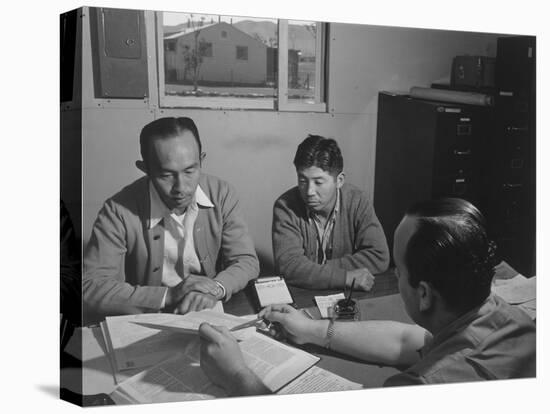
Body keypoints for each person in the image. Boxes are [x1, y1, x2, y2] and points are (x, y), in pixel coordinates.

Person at [199, 198, 535, 394]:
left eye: (399, 273)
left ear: (424, 295)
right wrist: (311, 329)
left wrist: (237, 375)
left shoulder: (422, 386)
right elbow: (409, 340)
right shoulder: (501, 314)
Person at [83, 117, 259, 320]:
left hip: (206, 312)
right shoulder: (117, 211)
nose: (181, 188)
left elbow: (246, 261)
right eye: (166, 175)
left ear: (201, 159)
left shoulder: (222, 194)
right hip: (147, 320)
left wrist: (215, 289)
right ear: (145, 169)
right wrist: (169, 295)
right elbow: (89, 287)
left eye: (190, 171)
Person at [272, 135, 389, 291]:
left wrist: (318, 269)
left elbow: (379, 256)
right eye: (302, 180)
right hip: (304, 293)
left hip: (346, 294)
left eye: (318, 182)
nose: (309, 191)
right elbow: (290, 266)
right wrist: (345, 276)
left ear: (339, 180)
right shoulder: (285, 206)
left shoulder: (358, 201)